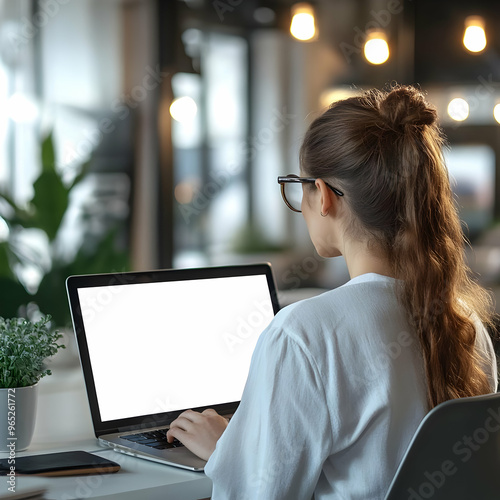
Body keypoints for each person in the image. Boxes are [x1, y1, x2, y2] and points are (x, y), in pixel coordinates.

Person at [166, 84, 498, 499]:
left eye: (299, 187)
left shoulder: (304, 333)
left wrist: (229, 453)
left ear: (323, 195)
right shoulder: (465, 326)